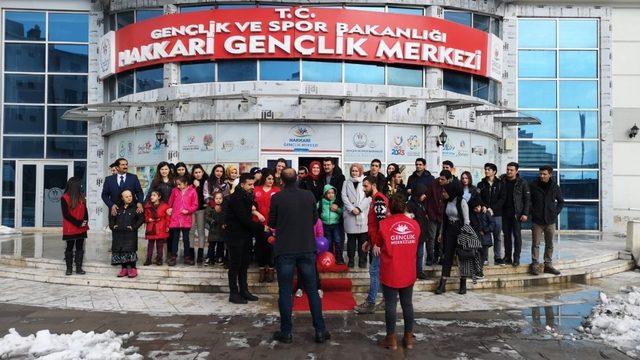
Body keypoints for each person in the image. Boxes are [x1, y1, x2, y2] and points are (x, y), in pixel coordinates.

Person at [269, 168, 330, 344]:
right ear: (297, 179)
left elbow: (272, 222)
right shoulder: (308, 195)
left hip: (285, 250)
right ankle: (320, 330)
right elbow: (314, 219)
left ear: (282, 180)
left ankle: (286, 332)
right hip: (306, 248)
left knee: (285, 291)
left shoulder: (277, 198)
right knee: (312, 291)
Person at [376, 193, 420, 350]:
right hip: (408, 269)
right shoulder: (414, 225)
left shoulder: (384, 224)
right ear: (405, 207)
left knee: (390, 304)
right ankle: (408, 338)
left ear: (389, 208)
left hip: (391, 270)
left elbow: (379, 242)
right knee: (407, 303)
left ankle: (391, 338)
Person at [226, 173, 264, 304]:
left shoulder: (247, 196)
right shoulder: (236, 198)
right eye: (250, 184)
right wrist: (260, 227)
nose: (252, 186)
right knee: (235, 265)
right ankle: (233, 293)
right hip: (236, 236)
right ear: (242, 185)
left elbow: (252, 210)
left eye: (253, 184)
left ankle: (244, 290)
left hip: (246, 236)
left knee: (244, 265)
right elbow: (243, 219)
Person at [354, 175, 389, 315]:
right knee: (378, 272)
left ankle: (371, 302)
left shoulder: (379, 199)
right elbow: (375, 225)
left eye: (366, 186)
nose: (364, 189)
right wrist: (370, 241)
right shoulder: (375, 200)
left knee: (374, 272)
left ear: (373, 185)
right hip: (376, 242)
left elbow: (382, 224)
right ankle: (386, 300)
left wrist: (378, 244)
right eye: (363, 186)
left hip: (380, 244)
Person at [435, 180, 471, 295]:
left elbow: (466, 220)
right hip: (449, 230)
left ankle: (463, 283)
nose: (443, 193)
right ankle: (443, 283)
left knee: (462, 257)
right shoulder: (447, 202)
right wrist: (441, 233)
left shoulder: (462, 202)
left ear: (452, 191)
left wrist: (465, 235)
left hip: (460, 230)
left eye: (445, 191)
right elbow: (444, 219)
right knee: (447, 257)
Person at [529, 165, 564, 276]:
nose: (542, 176)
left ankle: (548, 264)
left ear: (550, 174)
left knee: (549, 244)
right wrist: (532, 212)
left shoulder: (555, 186)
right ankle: (535, 264)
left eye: (544, 174)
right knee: (536, 243)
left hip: (550, 220)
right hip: (537, 220)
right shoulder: (533, 185)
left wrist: (555, 213)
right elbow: (528, 201)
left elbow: (561, 202)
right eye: (540, 174)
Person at [252, 169, 280, 283]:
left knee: (271, 246)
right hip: (258, 224)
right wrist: (256, 214)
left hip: (272, 224)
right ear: (264, 178)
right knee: (260, 246)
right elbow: (250, 205)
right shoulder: (256, 189)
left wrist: (274, 224)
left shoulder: (277, 190)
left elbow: (280, 208)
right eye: (269, 178)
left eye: (273, 179)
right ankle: (262, 269)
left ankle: (271, 270)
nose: (271, 181)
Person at [501, 162, 531, 267]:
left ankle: (516, 258)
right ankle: (507, 257)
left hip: (517, 214)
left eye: (511, 170)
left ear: (516, 171)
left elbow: (527, 199)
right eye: (508, 169)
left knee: (517, 236)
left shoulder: (522, 182)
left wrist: (525, 213)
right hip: (504, 213)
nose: (509, 171)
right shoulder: (502, 180)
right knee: (506, 236)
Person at [109, 189, 144, 278]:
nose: (129, 198)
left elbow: (141, 219)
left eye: (130, 196)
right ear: (122, 198)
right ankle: (124, 268)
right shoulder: (117, 207)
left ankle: (133, 268)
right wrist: (113, 226)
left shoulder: (136, 207)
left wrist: (134, 227)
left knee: (130, 250)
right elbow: (111, 218)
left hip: (130, 234)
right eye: (126, 196)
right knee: (121, 251)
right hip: (119, 233)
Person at [342, 163, 371, 269]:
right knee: (351, 241)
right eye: (352, 171)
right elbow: (344, 196)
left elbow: (368, 197)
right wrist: (351, 209)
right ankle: (351, 260)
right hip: (350, 215)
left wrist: (359, 209)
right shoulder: (346, 182)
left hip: (362, 214)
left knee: (363, 241)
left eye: (356, 171)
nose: (354, 173)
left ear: (360, 171)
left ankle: (362, 260)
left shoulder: (365, 181)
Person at [476, 163, 506, 265]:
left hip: (497, 213)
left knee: (497, 236)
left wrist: (493, 209)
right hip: (484, 213)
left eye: (489, 170)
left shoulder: (501, 183)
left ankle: (497, 257)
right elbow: (478, 197)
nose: (486, 171)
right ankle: (484, 257)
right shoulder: (481, 184)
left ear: (494, 172)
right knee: (485, 235)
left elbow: (502, 199)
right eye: (485, 169)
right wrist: (484, 206)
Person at [167, 176, 199, 266]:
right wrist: (169, 208)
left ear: (185, 183)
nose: (178, 186)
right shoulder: (174, 191)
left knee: (186, 239)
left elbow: (195, 205)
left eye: (179, 184)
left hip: (186, 218)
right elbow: (170, 202)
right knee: (175, 238)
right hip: (176, 218)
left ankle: (187, 257)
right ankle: (173, 257)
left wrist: (188, 211)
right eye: (177, 184)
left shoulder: (192, 191)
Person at [61, 177, 89, 276]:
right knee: (69, 247)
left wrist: (85, 221)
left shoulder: (81, 196)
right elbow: (66, 214)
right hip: (71, 227)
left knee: (80, 247)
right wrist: (78, 223)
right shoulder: (64, 197)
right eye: (79, 184)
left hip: (82, 227)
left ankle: (78, 268)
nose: (81, 186)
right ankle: (69, 268)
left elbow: (85, 211)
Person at [425, 170, 451, 266]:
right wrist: (426, 212)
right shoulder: (434, 183)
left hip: (444, 215)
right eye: (440, 178)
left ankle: (439, 256)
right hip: (432, 214)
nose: (440, 181)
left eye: (442, 179)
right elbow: (427, 198)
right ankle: (430, 257)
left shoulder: (450, 186)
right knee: (431, 237)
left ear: (448, 180)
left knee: (440, 238)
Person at [295, 216, 324, 298]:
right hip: (300, 247)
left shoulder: (317, 221)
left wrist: (317, 246)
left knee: (314, 268)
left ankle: (318, 288)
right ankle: (299, 288)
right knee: (300, 268)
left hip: (312, 247)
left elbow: (320, 235)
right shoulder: (298, 219)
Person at [407, 183, 429, 280]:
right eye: (423, 194)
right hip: (413, 234)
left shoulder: (422, 204)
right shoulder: (410, 204)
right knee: (412, 254)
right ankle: (411, 271)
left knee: (420, 254)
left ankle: (419, 271)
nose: (424, 196)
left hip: (421, 234)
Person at [143, 190, 170, 266]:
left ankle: (159, 259)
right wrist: (148, 219)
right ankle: (148, 259)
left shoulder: (165, 206)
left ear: (159, 197)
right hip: (151, 227)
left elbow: (167, 217)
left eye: (154, 195)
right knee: (150, 245)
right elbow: (145, 216)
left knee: (160, 245)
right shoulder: (147, 206)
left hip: (161, 227)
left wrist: (167, 226)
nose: (152, 197)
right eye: (151, 195)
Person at [189, 164, 209, 264]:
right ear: (193, 173)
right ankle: (191, 254)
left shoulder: (206, 181)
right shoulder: (189, 182)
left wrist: (198, 186)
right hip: (191, 211)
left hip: (201, 210)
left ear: (203, 172)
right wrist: (194, 186)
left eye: (199, 172)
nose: (197, 174)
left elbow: (206, 196)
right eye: (195, 172)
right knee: (191, 231)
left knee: (201, 232)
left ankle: (200, 255)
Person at [318, 184, 343, 264]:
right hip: (325, 225)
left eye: (332, 193)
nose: (331, 194)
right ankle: (330, 257)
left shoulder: (337, 202)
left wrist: (337, 209)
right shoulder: (322, 202)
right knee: (329, 242)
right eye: (328, 193)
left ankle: (339, 258)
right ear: (325, 194)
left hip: (335, 224)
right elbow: (314, 208)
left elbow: (342, 211)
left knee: (337, 241)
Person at [468, 197, 495, 268]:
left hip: (485, 239)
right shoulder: (472, 215)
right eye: (475, 208)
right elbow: (472, 226)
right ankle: (478, 270)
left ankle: (480, 271)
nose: (477, 209)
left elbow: (492, 224)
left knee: (483, 255)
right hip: (477, 238)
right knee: (477, 255)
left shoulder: (486, 212)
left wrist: (485, 230)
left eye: (478, 207)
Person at [205, 191, 225, 266]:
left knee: (220, 245)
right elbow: (207, 217)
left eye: (220, 198)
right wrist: (211, 221)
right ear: (214, 199)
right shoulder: (210, 207)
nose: (218, 200)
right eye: (217, 198)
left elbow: (226, 215)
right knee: (211, 245)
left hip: (221, 229)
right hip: (213, 229)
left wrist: (224, 223)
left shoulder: (224, 207)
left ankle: (219, 257)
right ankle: (210, 257)